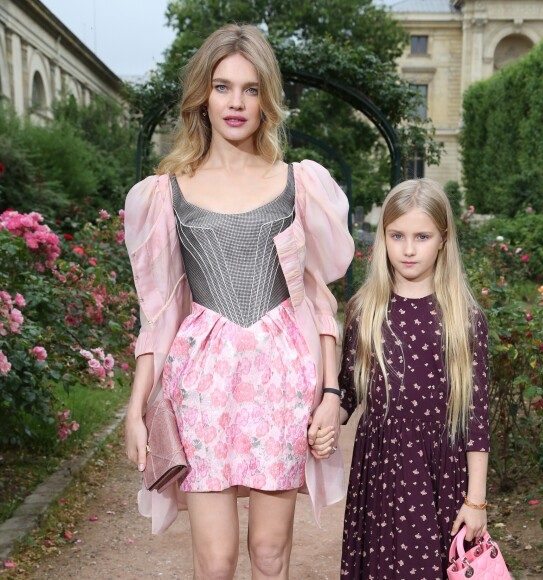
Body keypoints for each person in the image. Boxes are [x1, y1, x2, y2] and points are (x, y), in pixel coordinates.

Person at [123, 23, 354, 580]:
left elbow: (319, 301)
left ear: (266, 99)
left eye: (250, 89)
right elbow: (159, 310)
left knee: (270, 555)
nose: (236, 102)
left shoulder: (299, 184)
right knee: (216, 559)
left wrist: (329, 394)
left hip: (281, 382)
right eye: (223, 86)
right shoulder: (166, 191)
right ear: (204, 94)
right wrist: (135, 408)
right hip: (200, 381)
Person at [329, 178, 490, 579]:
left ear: (443, 238)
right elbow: (347, 393)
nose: (409, 248)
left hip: (440, 471)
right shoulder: (364, 310)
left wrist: (477, 500)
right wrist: (323, 420)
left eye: (422, 236)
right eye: (397, 235)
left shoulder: (463, 319)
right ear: (383, 237)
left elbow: (476, 417)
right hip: (379, 470)